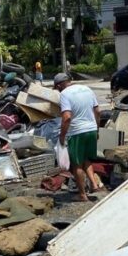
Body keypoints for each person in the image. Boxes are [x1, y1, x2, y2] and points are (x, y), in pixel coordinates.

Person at [55, 72, 101, 202]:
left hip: (77, 132)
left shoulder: (65, 94)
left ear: (59, 85)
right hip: (91, 129)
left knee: (77, 164)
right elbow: (98, 111)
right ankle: (94, 184)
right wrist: (97, 129)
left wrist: (62, 136)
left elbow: (67, 117)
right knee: (86, 158)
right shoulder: (87, 89)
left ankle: (82, 195)